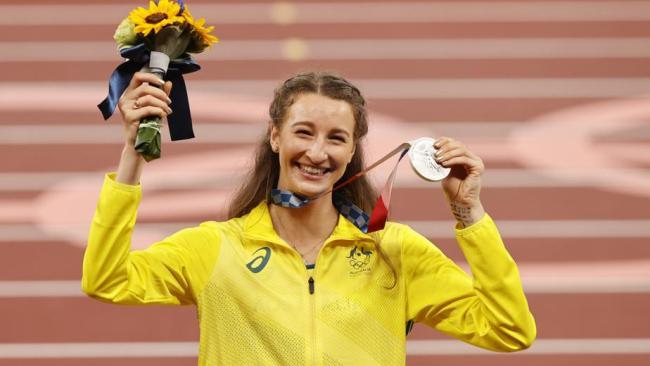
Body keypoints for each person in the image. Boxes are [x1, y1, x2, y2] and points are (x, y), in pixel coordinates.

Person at [82, 71, 536, 365]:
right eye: (304, 133)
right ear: (276, 137)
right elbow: (106, 279)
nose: (318, 153)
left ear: (352, 151)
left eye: (336, 138)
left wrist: (467, 212)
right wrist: (133, 154)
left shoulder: (395, 251)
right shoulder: (216, 248)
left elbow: (509, 329)